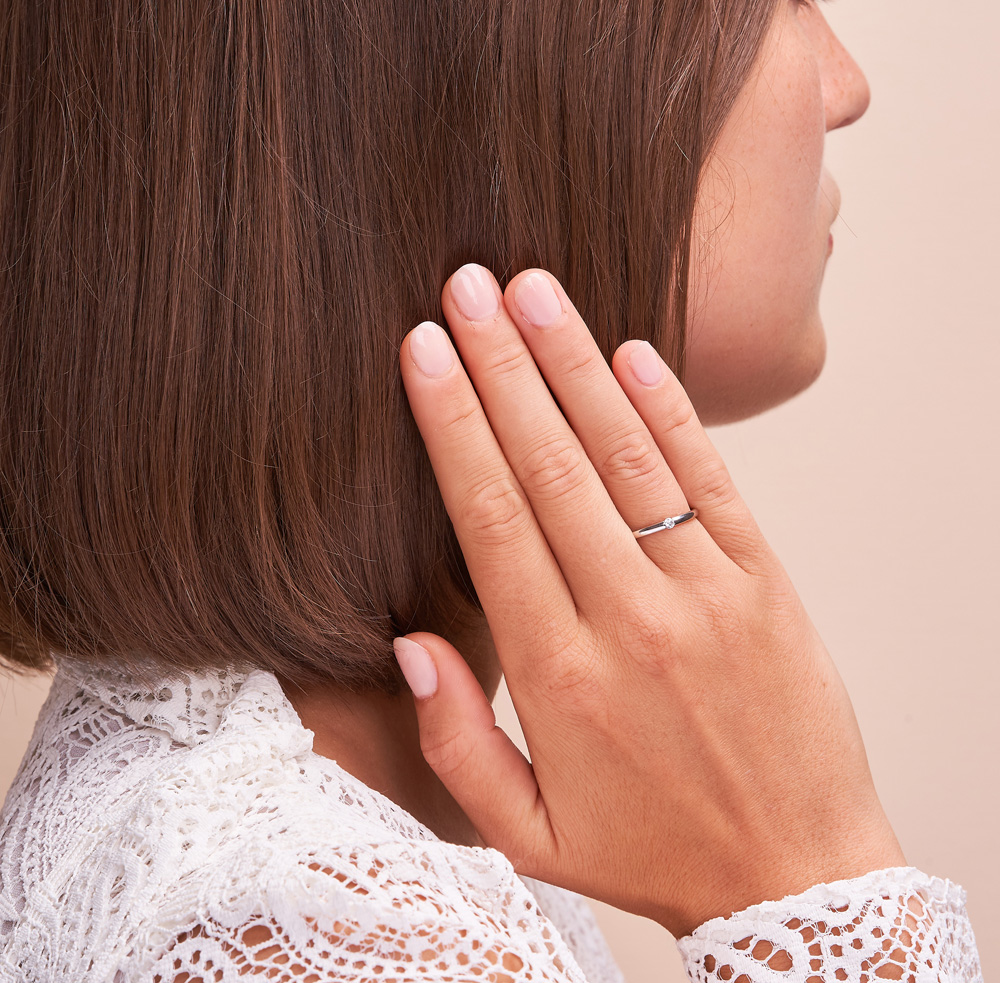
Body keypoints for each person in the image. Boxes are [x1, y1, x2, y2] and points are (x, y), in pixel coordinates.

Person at [0, 0, 982, 980]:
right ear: (449, 89)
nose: (845, 84)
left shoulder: (227, 825)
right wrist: (813, 881)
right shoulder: (335, 935)